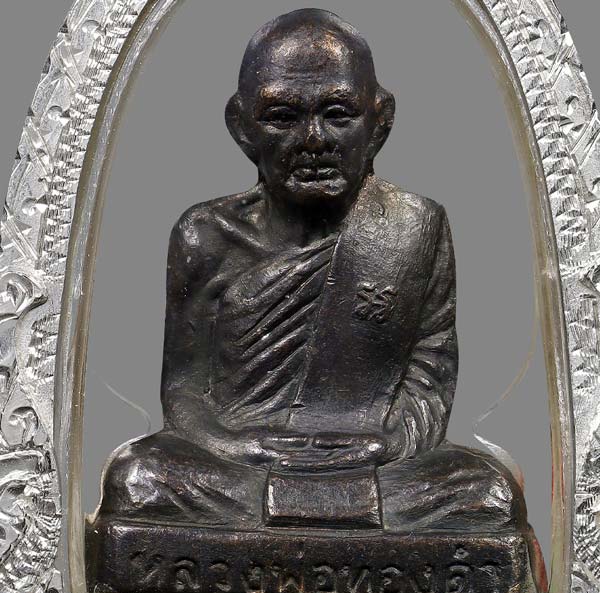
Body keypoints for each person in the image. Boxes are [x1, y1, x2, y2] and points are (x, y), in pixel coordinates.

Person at [95, 8, 528, 535]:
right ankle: (324, 526)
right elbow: (185, 391)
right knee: (139, 479)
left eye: (338, 114)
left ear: (380, 121)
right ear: (241, 127)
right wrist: (234, 445)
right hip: (241, 464)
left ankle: (296, 526)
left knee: (486, 493)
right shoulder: (205, 235)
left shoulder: (415, 226)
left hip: (370, 462)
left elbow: (430, 371)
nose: (313, 139)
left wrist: (389, 443)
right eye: (283, 117)